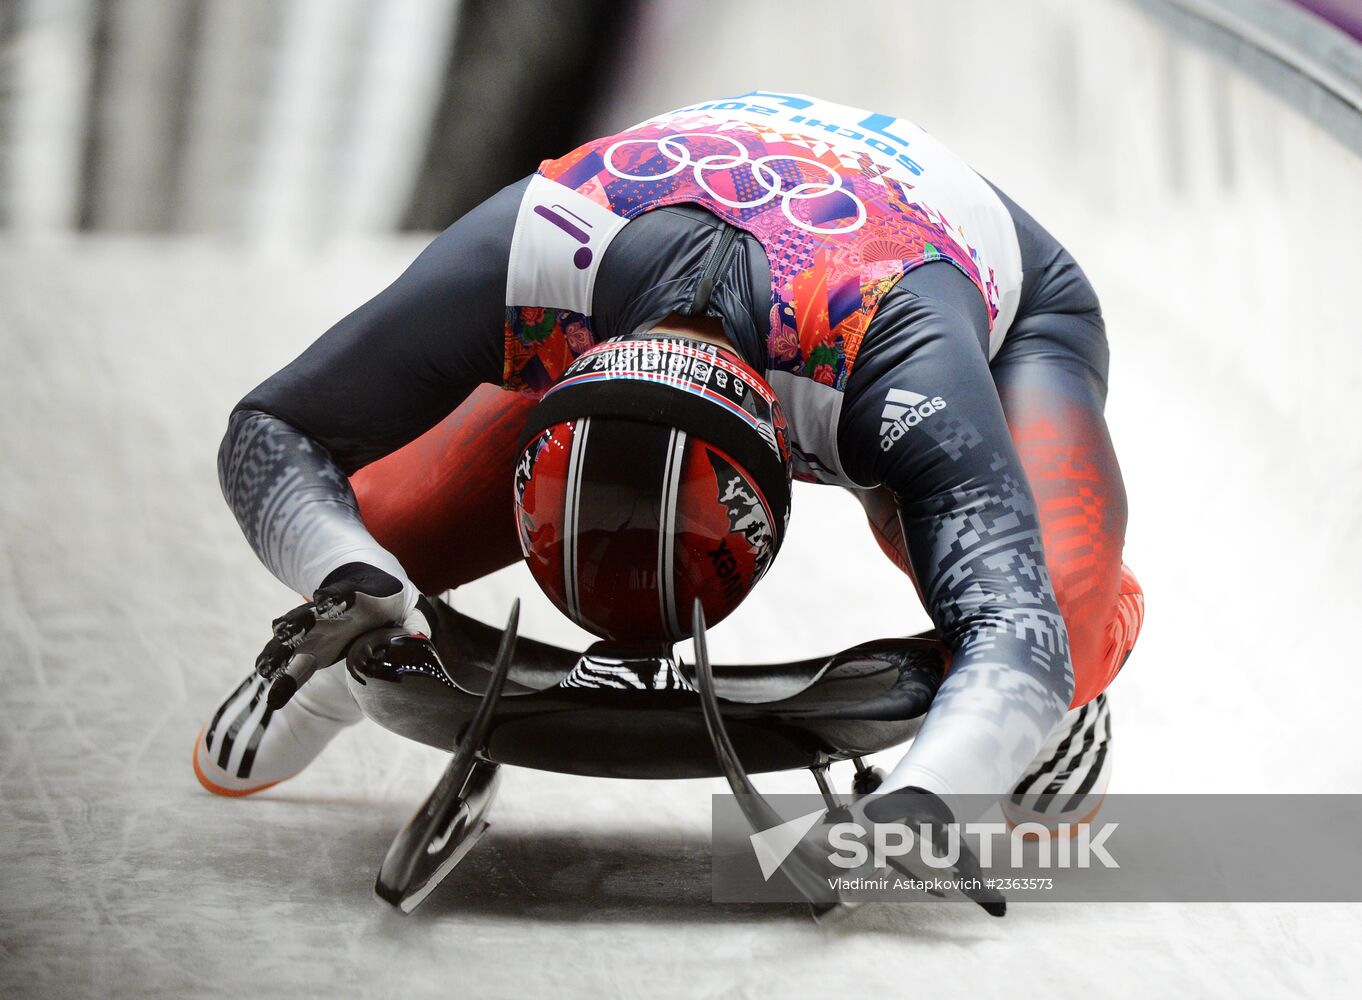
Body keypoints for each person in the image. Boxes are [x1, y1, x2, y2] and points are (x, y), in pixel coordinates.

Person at [195, 92, 1142, 834]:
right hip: (720, 252)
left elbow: (1021, 626)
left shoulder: (897, 358)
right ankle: (317, 663)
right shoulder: (532, 249)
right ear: (567, 379)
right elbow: (275, 424)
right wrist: (351, 578)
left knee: (1062, 609)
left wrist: (925, 805)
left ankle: (1091, 678)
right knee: (384, 533)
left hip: (954, 302)